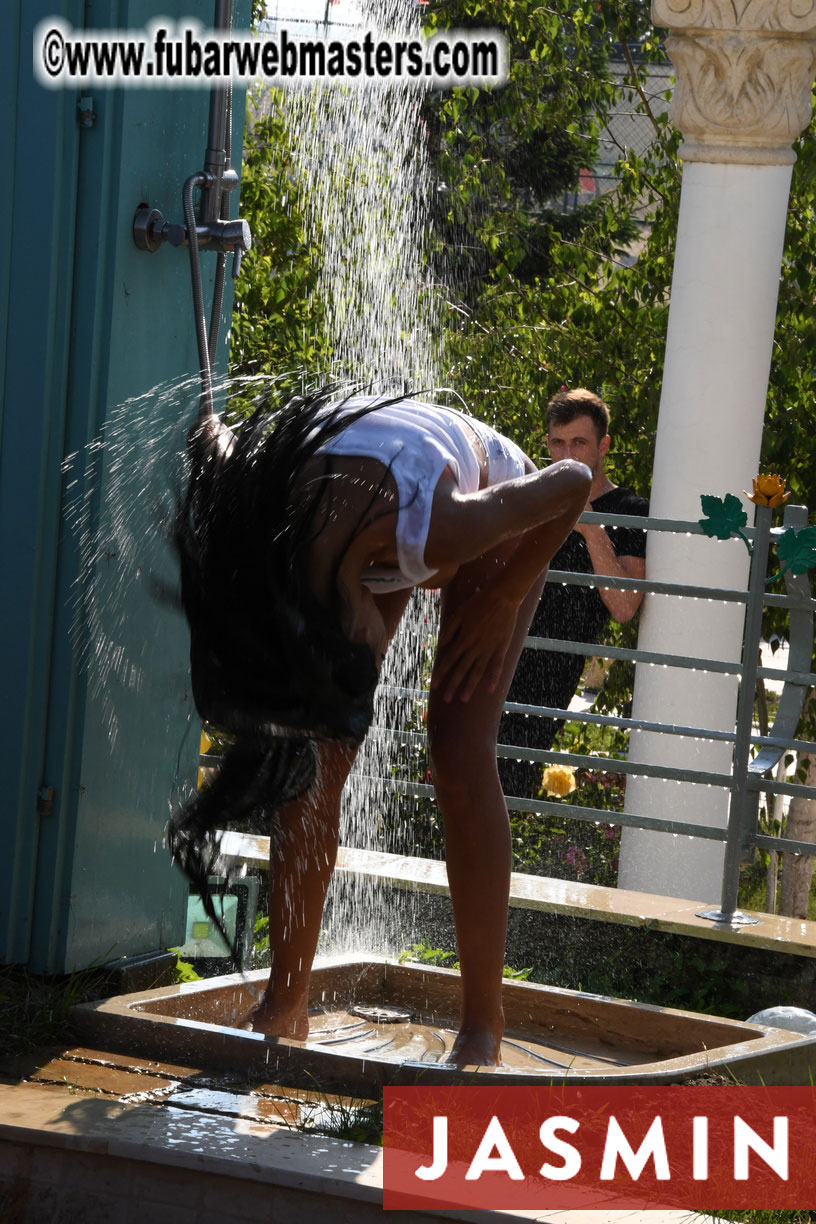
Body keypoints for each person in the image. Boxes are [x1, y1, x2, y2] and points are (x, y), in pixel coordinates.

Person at [168, 385, 591, 1068]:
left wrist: (507, 594)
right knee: (313, 753)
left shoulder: (446, 525)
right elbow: (214, 446)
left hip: (474, 502)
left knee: (457, 747)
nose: (378, 658)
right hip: (354, 495)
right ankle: (285, 1002)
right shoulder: (275, 546)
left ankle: (483, 1025)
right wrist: (213, 441)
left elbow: (571, 481)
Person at [499, 388, 649, 800]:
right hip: (495, 646)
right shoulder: (529, 493)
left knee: (507, 783)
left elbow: (623, 607)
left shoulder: (630, 508)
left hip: (552, 665)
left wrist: (589, 527)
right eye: (557, 442)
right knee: (459, 774)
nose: (566, 454)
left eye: (579, 443)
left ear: (603, 446)